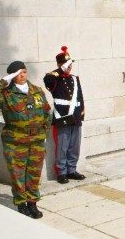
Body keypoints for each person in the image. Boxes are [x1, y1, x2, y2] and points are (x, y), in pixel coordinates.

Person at [0, 61, 52, 219]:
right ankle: (21, 203)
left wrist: (44, 130)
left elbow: (46, 112)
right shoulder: (6, 94)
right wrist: (5, 80)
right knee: (17, 174)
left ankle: (32, 203)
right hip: (15, 142)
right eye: (18, 73)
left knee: (34, 173)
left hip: (36, 141)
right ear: (12, 76)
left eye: (24, 72)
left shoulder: (37, 91)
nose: (22, 75)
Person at [43, 46, 86, 184]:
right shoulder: (54, 79)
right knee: (63, 146)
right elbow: (47, 80)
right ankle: (61, 172)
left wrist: (81, 114)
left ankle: (71, 170)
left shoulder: (74, 78)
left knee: (74, 145)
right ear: (59, 65)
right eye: (66, 64)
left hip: (75, 116)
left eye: (70, 64)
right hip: (62, 117)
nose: (69, 67)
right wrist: (60, 70)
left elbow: (80, 96)